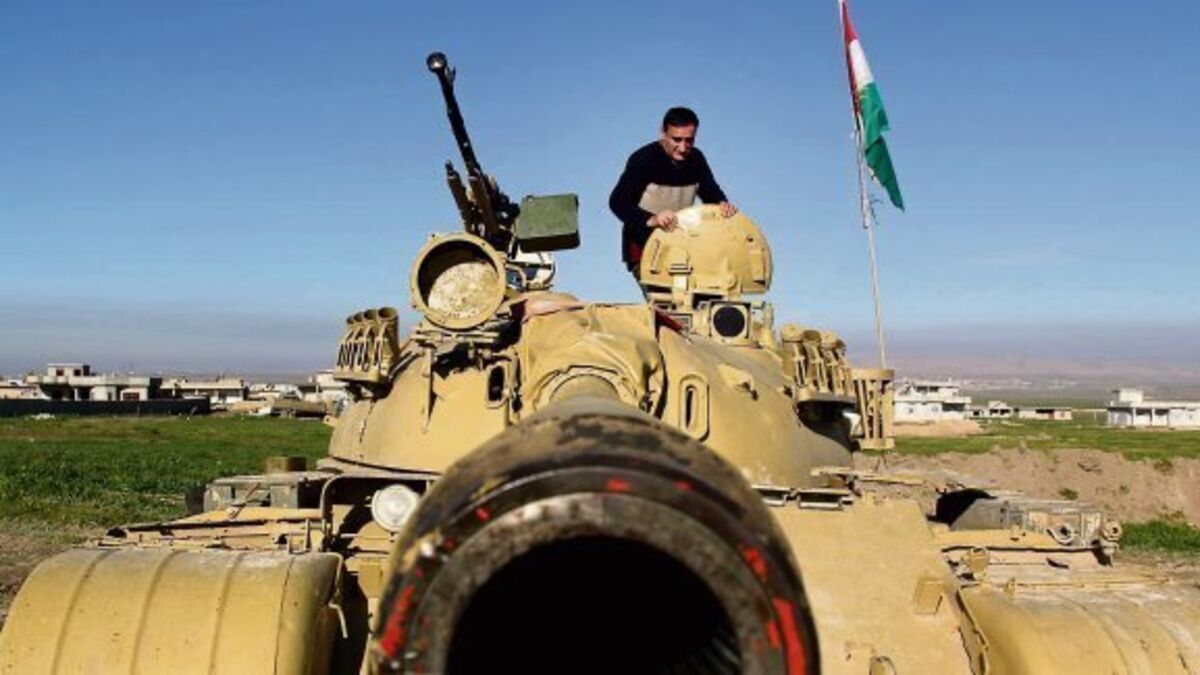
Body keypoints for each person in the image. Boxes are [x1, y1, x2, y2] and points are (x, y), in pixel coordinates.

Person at [609, 106, 737, 275]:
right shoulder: (643, 159)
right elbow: (618, 202)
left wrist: (722, 204)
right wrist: (652, 219)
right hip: (644, 247)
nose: (683, 148)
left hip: (680, 245)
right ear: (663, 132)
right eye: (676, 140)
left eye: (689, 140)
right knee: (663, 292)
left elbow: (711, 191)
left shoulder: (697, 159)